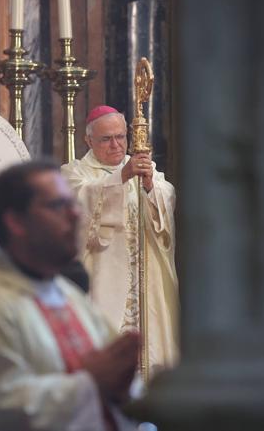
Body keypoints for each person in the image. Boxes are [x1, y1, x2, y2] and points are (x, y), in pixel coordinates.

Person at [0, 160, 140, 431]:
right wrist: (88, 384)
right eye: (57, 206)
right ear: (16, 222)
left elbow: (117, 384)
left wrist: (125, 388)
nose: (75, 215)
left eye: (72, 204)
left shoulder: (70, 298)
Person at [61, 105, 179, 373]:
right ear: (88, 140)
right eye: (106, 139)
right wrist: (120, 179)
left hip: (146, 285)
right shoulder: (74, 172)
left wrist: (150, 186)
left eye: (120, 137)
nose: (116, 145)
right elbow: (79, 204)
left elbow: (167, 197)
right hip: (103, 285)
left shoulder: (143, 168)